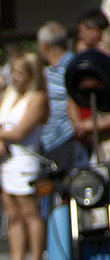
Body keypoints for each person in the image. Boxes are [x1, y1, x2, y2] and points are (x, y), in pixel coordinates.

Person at [0, 49, 48, 260]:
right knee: (13, 215)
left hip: (25, 159)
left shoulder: (38, 97)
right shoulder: (8, 95)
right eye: (13, 72)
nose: (15, 77)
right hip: (6, 161)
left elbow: (20, 132)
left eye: (20, 73)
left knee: (30, 212)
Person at [37, 21, 81, 171]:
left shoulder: (72, 66)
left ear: (45, 45)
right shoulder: (49, 71)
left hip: (67, 137)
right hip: (48, 140)